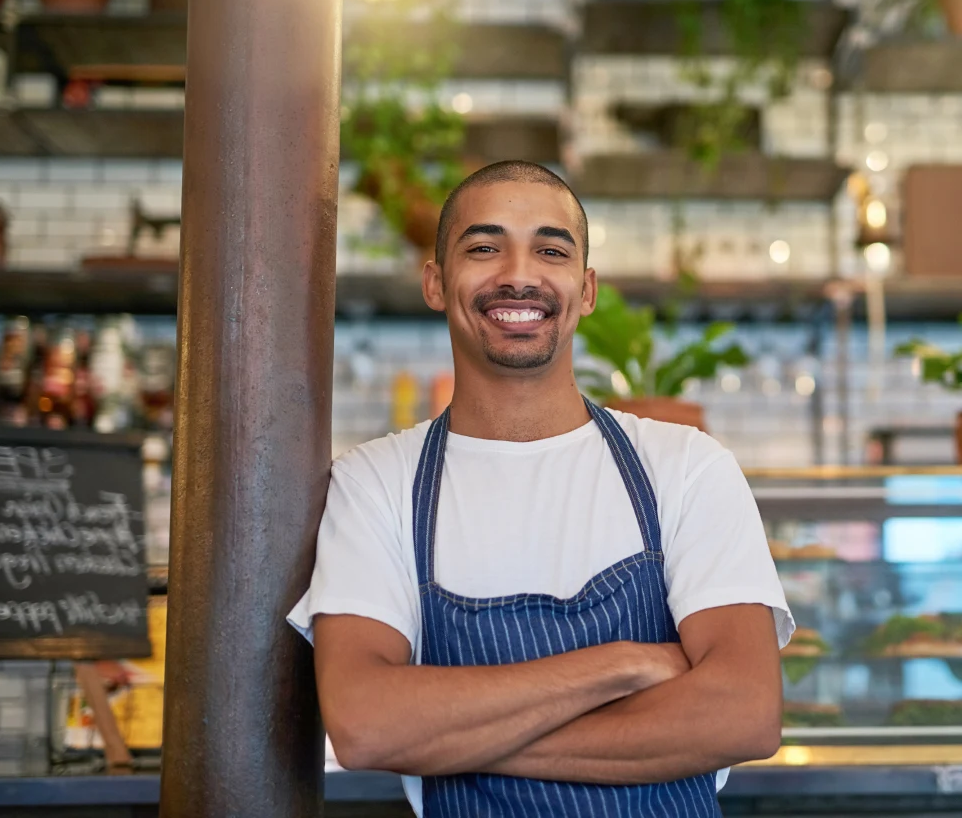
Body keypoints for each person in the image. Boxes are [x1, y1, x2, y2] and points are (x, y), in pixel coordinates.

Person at [289, 160, 793, 817]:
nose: (519, 275)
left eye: (550, 250)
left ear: (585, 290)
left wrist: (450, 734)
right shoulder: (378, 481)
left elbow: (745, 715)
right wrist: (619, 665)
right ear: (436, 283)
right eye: (484, 248)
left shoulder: (685, 467)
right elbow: (365, 725)